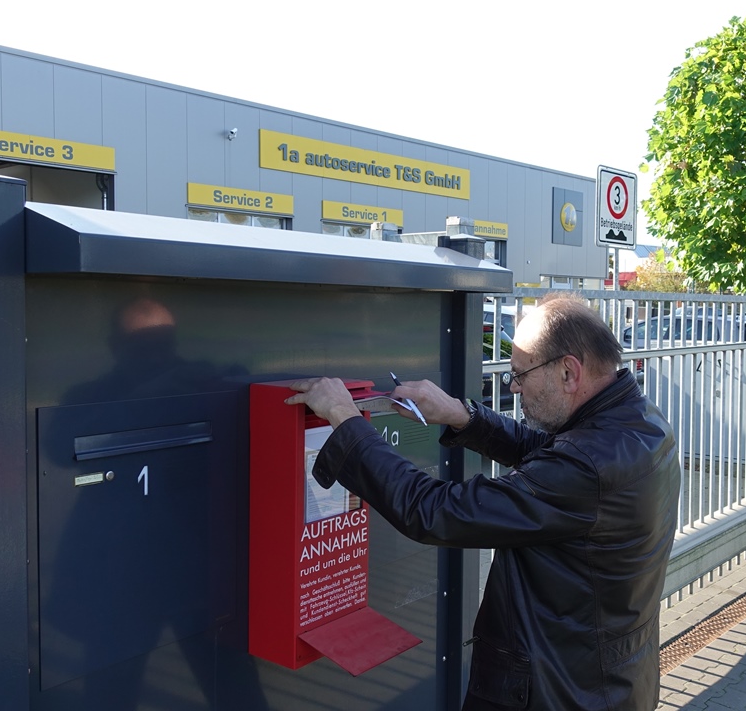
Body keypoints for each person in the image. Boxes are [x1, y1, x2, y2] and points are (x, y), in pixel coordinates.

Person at [286, 293, 681, 711]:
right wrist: (462, 415)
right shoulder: (640, 423)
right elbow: (548, 453)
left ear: (569, 372)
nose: (513, 386)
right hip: (609, 680)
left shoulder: (586, 467)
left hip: (557, 692)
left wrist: (346, 422)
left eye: (519, 374)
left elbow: (435, 511)